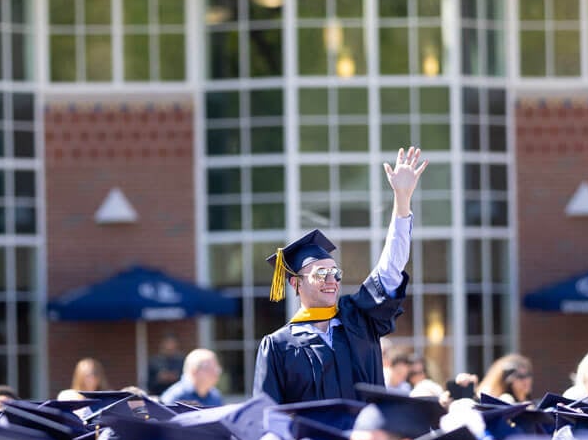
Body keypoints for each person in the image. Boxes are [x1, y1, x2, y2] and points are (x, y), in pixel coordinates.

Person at [253, 146, 425, 405]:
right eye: (321, 273)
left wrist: (402, 201)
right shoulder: (279, 346)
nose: (332, 280)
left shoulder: (359, 319)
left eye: (335, 273)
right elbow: (266, 415)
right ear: (295, 282)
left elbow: (390, 268)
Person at [159, 348, 225, 407]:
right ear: (194, 371)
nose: (216, 373)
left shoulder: (215, 395)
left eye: (217, 369)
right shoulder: (175, 396)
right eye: (210, 369)